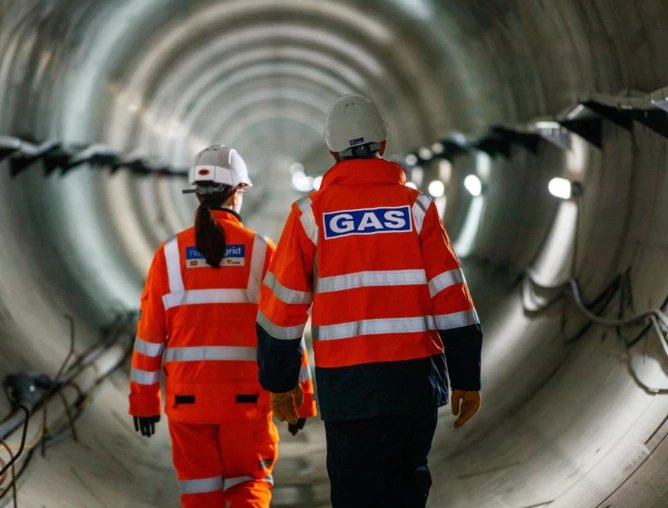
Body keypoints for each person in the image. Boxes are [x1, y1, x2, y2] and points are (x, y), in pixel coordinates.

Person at [256, 95, 483, 508]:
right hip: (414, 381)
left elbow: (283, 310)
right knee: (407, 489)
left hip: (348, 385)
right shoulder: (417, 210)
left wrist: (280, 382)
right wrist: (467, 375)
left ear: (331, 152)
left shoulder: (311, 215)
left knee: (355, 493)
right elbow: (452, 298)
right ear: (382, 144)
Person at [128, 145, 317, 508]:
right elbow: (286, 329)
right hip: (246, 404)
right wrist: (301, 397)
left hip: (187, 405)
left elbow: (150, 337)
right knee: (250, 486)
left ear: (197, 194)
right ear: (238, 191)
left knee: (200, 498)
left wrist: (143, 400)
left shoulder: (168, 255)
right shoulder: (262, 251)